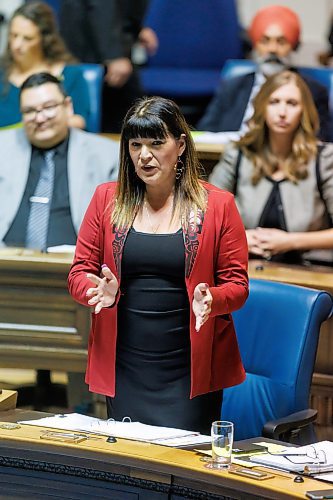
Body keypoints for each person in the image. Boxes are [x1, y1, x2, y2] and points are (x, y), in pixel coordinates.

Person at [68, 96, 249, 434]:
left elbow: (238, 286)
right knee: (129, 459)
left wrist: (213, 299)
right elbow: (79, 272)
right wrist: (96, 290)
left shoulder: (219, 205)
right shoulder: (107, 199)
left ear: (180, 145)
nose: (144, 155)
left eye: (156, 143)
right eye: (135, 144)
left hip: (188, 367)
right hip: (126, 363)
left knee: (180, 469)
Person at [209, 70, 333, 266]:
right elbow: (205, 217)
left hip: (312, 272)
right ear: (261, 107)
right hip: (243, 267)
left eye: (291, 104)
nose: (282, 112)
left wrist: (289, 242)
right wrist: (238, 239)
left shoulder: (325, 158)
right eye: (274, 102)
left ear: (304, 111)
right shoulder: (239, 153)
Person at [0, 71, 119, 249]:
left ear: (68, 106)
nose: (40, 118)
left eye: (48, 107)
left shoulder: (107, 155)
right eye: (30, 111)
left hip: (75, 267)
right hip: (7, 262)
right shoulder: (3, 146)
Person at [198, 5, 332, 142]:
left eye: (281, 42)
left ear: (293, 46)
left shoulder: (313, 91)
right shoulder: (232, 86)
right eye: (265, 41)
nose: (272, 49)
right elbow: (205, 132)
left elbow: (321, 140)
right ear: (255, 45)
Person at [59, 0, 158, 133]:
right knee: (123, 121)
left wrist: (136, 29)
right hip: (94, 46)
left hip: (102, 36)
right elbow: (100, 4)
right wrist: (114, 54)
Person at [0, 1, 90, 130]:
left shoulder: (70, 74)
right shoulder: (2, 72)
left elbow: (79, 121)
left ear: (44, 40)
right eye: (13, 36)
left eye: (27, 38)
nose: (17, 45)